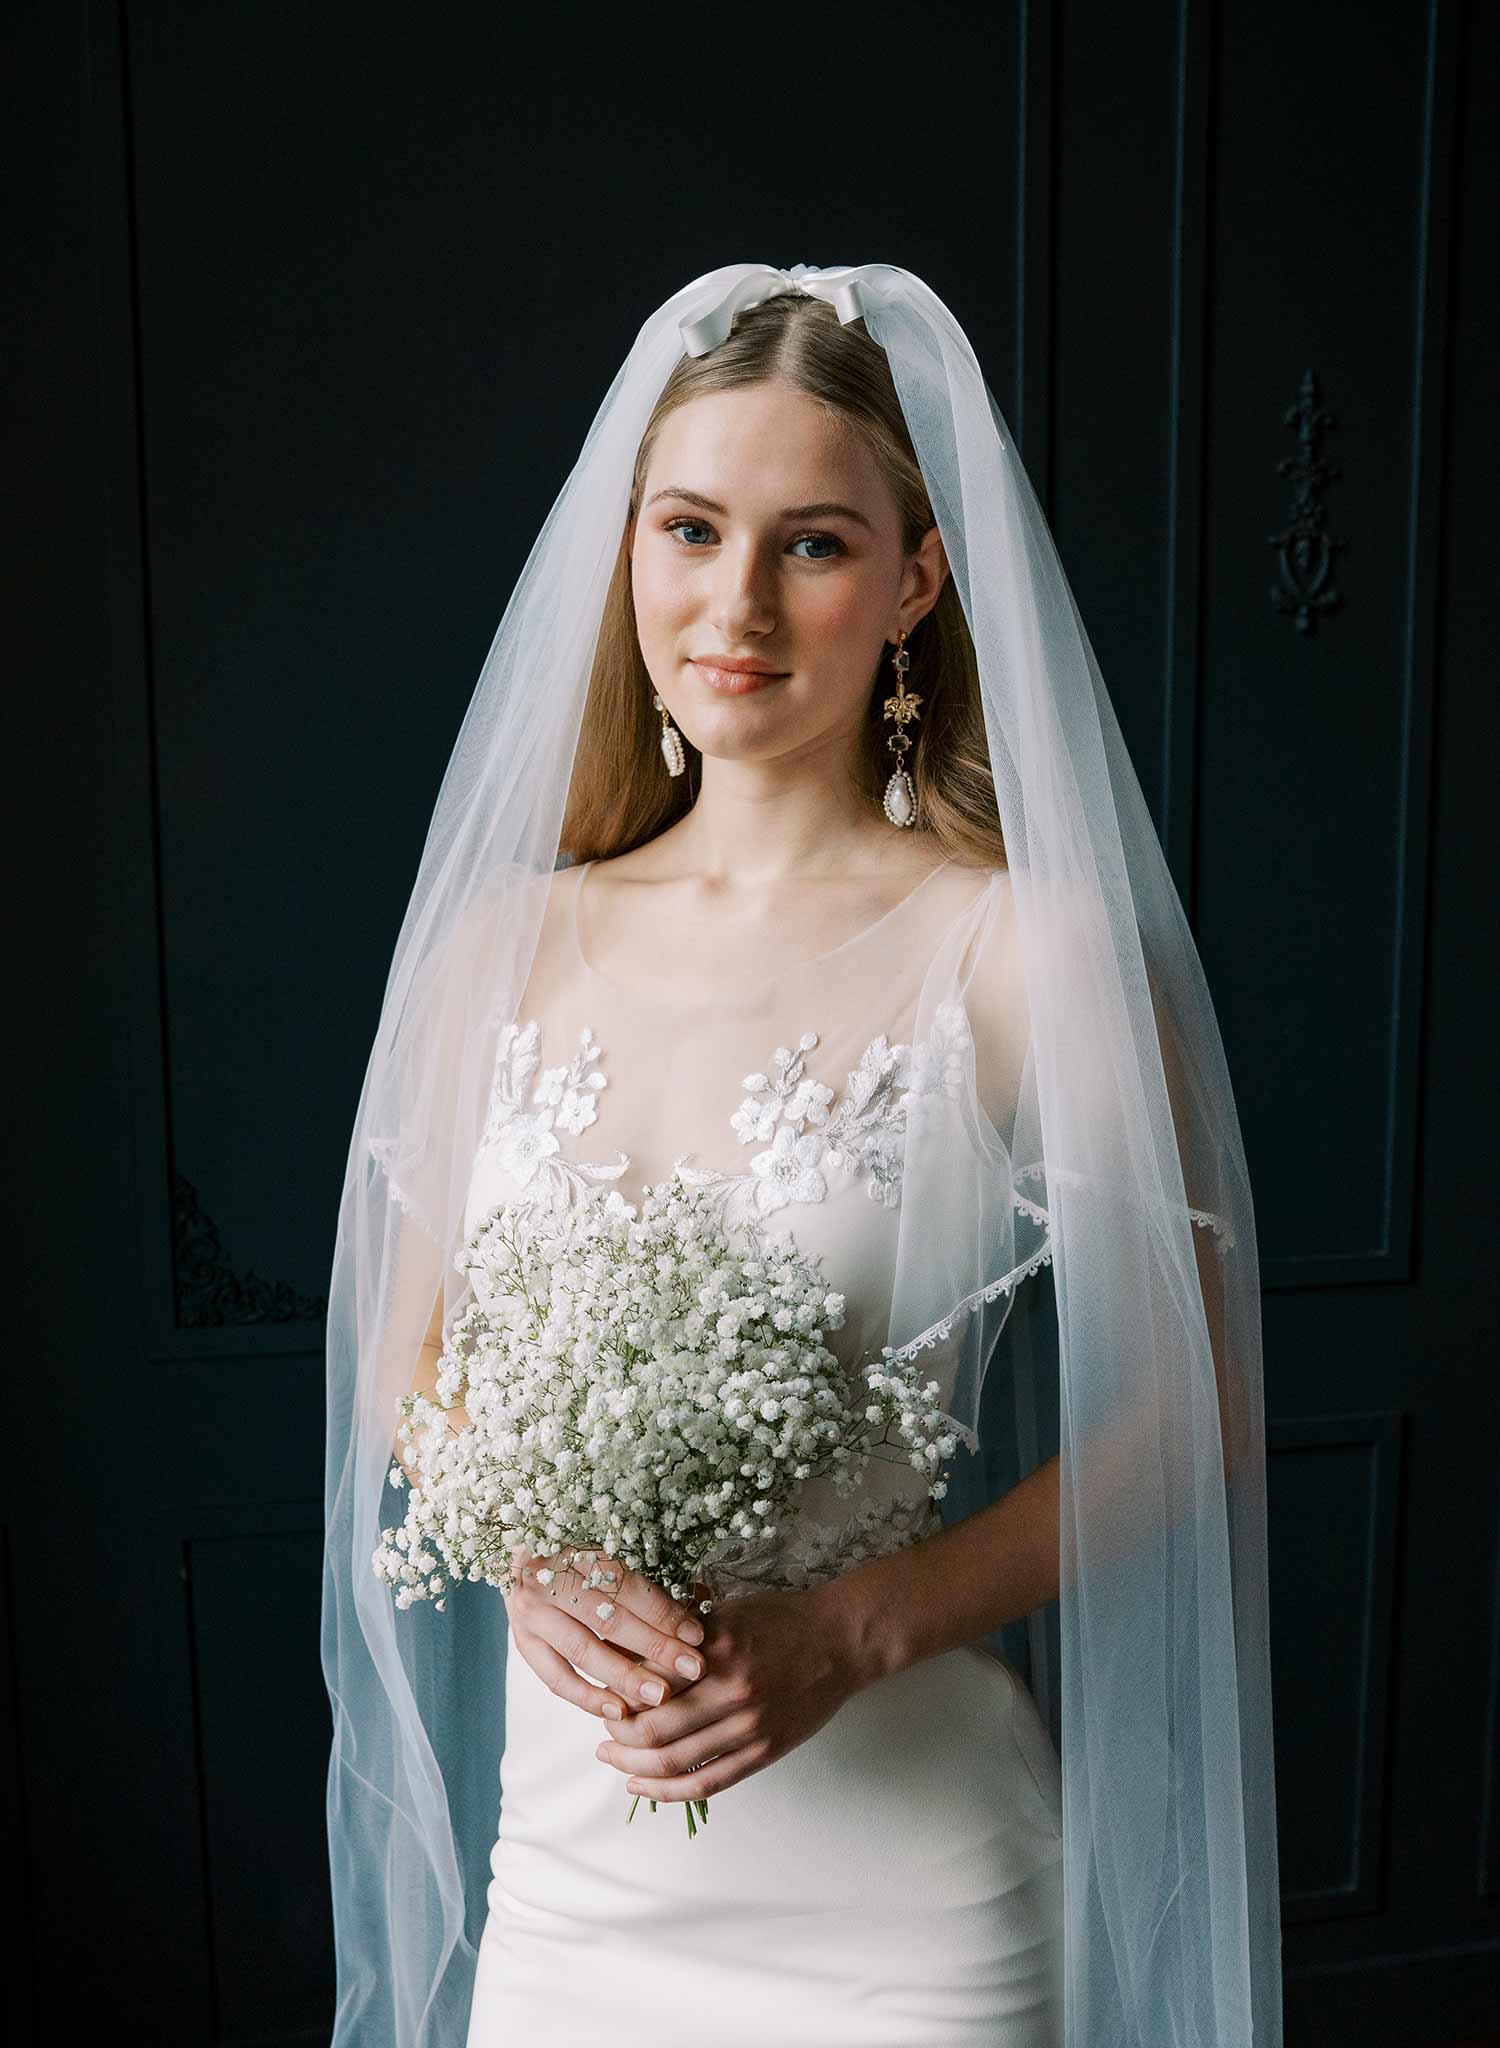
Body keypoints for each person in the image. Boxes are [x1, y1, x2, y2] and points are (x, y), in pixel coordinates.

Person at [321, 265, 1284, 2048]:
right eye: (691, 529)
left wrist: (852, 1633)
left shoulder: (1025, 956)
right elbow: (407, 1351)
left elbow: (1200, 1403)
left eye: (815, 544)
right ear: (630, 550)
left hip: (906, 1909)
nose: (736, 603)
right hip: (572, 1888)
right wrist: (526, 1549)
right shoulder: (494, 948)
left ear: (915, 580)